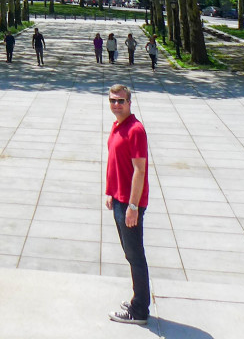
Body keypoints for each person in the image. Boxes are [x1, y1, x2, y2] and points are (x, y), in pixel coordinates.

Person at [105, 84, 150, 325]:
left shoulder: (135, 130)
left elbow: (139, 170)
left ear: (129, 103)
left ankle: (139, 310)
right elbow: (115, 162)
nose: (116, 105)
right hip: (120, 199)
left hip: (130, 204)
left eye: (121, 101)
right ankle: (138, 299)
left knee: (135, 255)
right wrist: (111, 191)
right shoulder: (117, 126)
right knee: (131, 253)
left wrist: (133, 207)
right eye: (112, 100)